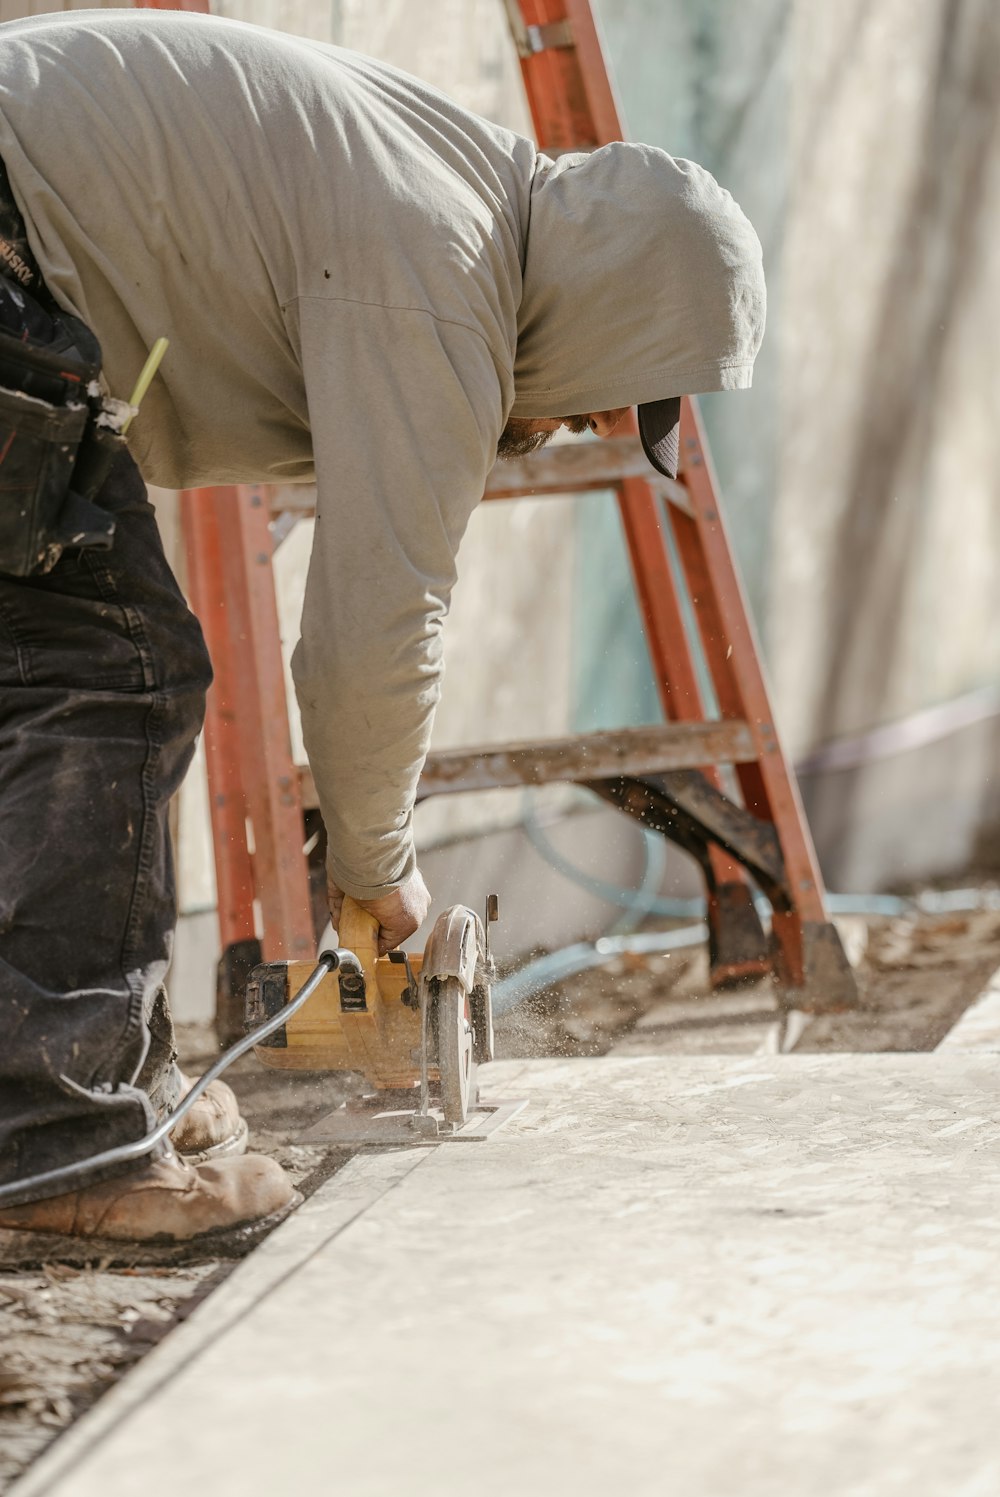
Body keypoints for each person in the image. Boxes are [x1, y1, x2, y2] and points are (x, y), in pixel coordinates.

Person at [0, 9, 765, 1263]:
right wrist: (382, 876)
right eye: (613, 394)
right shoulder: (446, 277)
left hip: (20, 254)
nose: (584, 427)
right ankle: (55, 1146)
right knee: (114, 677)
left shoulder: (454, 193)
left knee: (64, 661)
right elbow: (373, 628)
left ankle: (93, 1094)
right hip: (9, 250)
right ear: (603, 315)